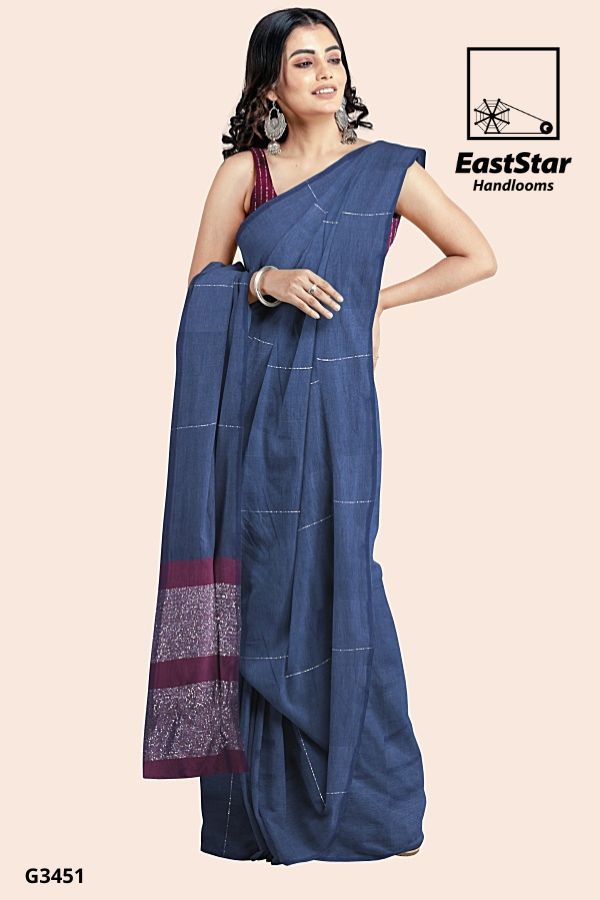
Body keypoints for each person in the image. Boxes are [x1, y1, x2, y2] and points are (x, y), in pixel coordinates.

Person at [143, 8, 497, 866]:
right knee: (254, 577)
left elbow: (476, 255)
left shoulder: (385, 170)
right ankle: (254, 816)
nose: (325, 73)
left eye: (333, 57)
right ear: (271, 84)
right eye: (303, 61)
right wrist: (262, 279)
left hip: (339, 406)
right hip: (252, 409)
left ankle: (373, 812)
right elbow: (201, 288)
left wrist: (376, 302)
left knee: (345, 580)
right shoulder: (245, 174)